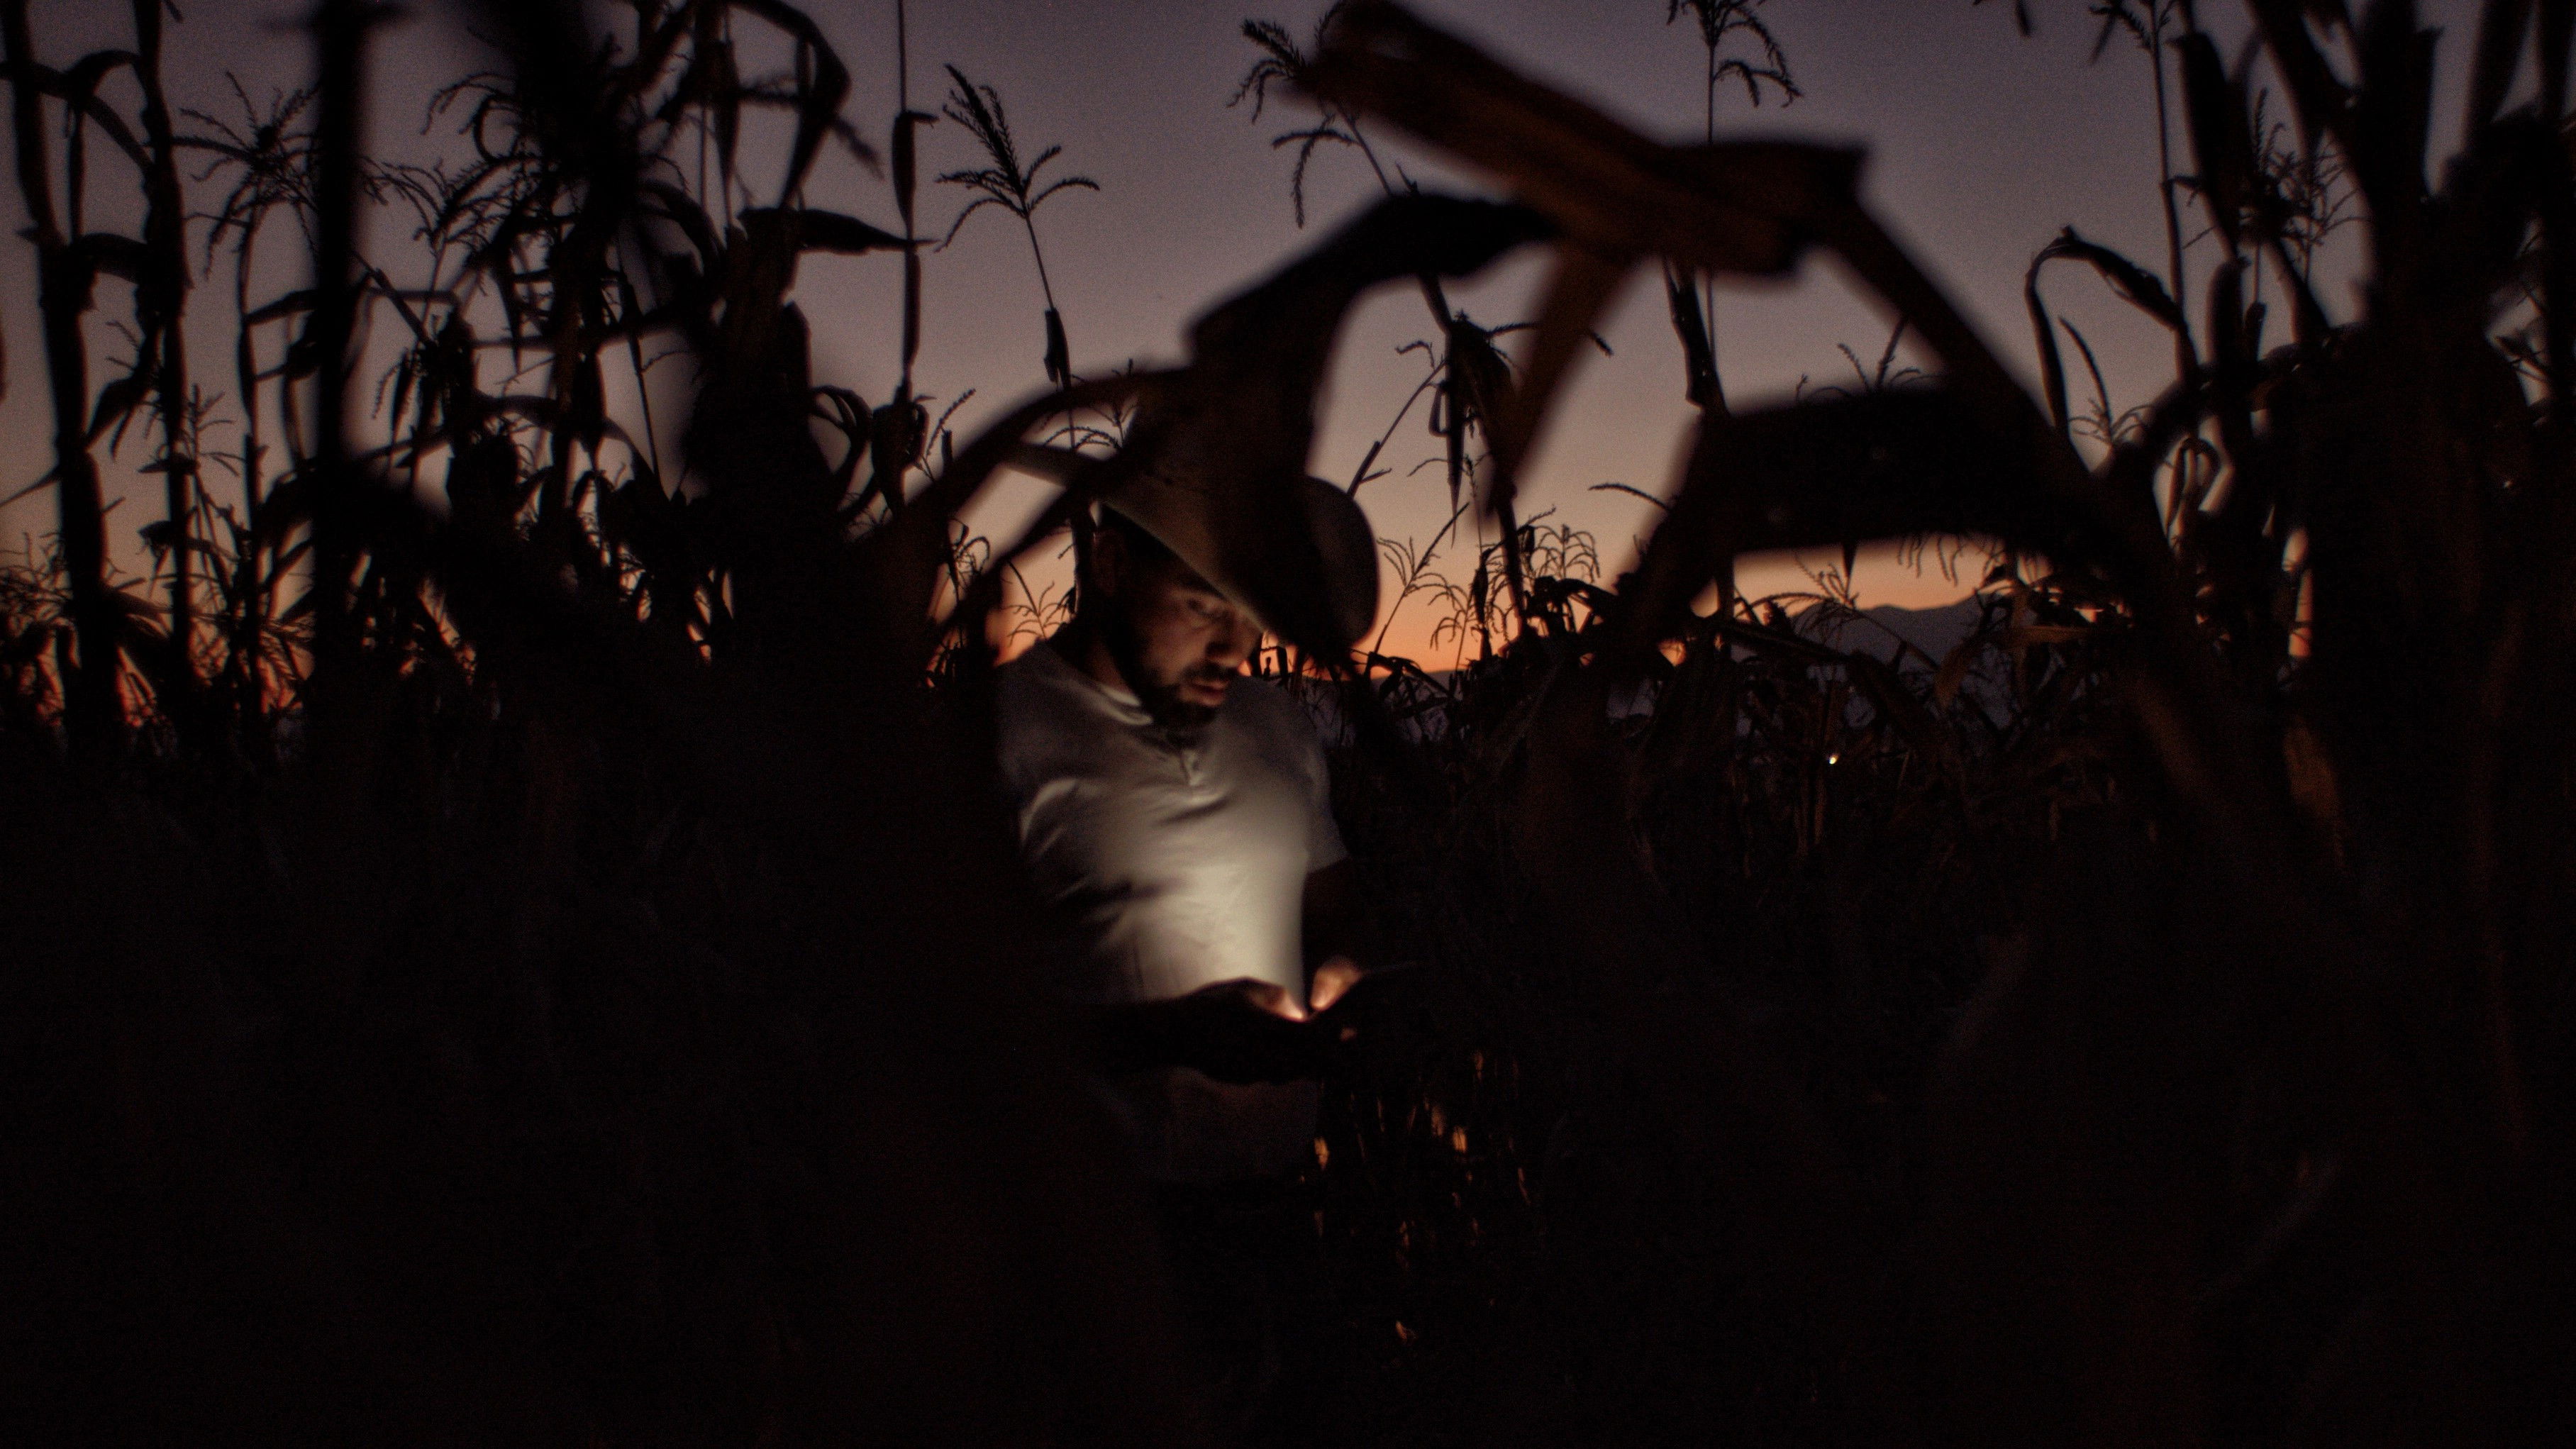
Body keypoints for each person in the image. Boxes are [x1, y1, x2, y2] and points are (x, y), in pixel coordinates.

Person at [992, 465, 1385, 1434]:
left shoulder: (1275, 723)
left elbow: (1335, 902)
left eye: (1252, 615)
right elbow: (944, 1018)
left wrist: (1346, 976)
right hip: (1101, 1244)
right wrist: (1172, 1035)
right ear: (1111, 565)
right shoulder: (1000, 739)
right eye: (1204, 605)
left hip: (1282, 1217)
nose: (1235, 647)